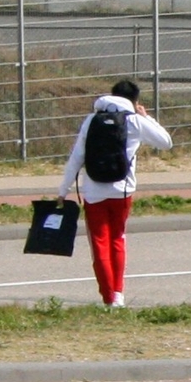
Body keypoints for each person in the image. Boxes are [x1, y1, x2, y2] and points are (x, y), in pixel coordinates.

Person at [57, 79, 173, 308]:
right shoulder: (135, 121)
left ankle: (108, 298)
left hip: (93, 190)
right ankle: (118, 294)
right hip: (123, 190)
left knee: (99, 242)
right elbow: (166, 142)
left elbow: (76, 158)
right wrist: (146, 116)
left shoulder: (91, 120)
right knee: (117, 239)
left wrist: (63, 191)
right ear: (135, 101)